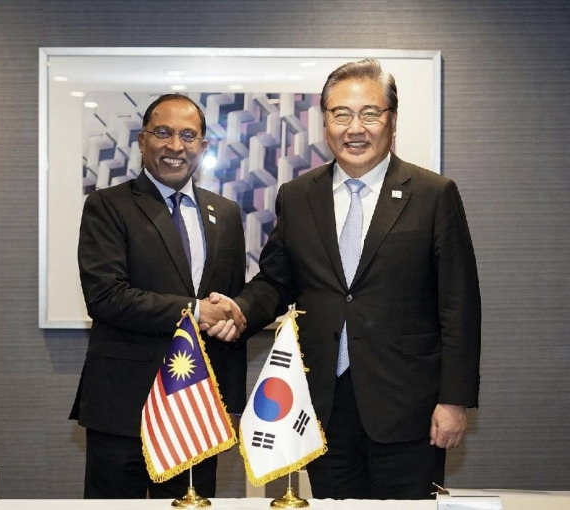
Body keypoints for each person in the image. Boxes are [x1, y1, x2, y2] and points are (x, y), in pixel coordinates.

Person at [207, 59, 481, 500]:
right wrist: (239, 310)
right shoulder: (298, 196)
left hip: (408, 406)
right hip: (321, 405)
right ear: (325, 122)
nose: (356, 127)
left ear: (392, 121)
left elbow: (459, 305)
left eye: (370, 113)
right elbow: (277, 282)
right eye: (341, 114)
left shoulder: (433, 194)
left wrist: (453, 401)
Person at [70, 93, 247, 499]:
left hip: (197, 408)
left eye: (188, 135)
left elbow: (228, 300)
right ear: (142, 139)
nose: (175, 146)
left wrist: (229, 320)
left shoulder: (228, 214)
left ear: (203, 147)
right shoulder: (107, 206)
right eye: (163, 133)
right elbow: (105, 297)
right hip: (122, 407)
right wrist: (194, 311)